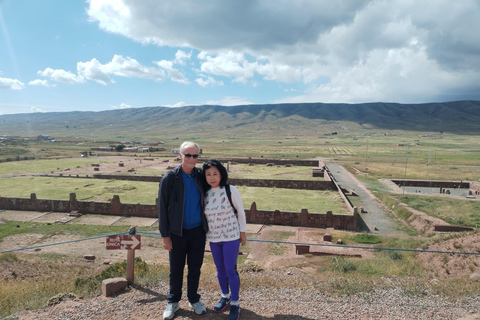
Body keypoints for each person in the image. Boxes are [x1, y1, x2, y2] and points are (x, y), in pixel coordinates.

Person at [158, 141, 208, 319]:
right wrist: (165, 235)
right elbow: (162, 209)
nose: (191, 159)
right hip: (176, 233)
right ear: (180, 155)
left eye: (195, 155)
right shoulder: (170, 179)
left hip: (197, 232)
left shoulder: (201, 176)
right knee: (176, 269)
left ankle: (194, 299)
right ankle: (173, 302)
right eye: (188, 155)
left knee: (195, 268)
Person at [202, 159, 247, 320]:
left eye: (215, 174)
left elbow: (240, 212)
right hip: (214, 238)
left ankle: (235, 303)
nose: (212, 177)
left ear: (221, 174)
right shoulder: (205, 193)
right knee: (219, 270)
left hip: (231, 237)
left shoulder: (230, 190)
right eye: (208, 174)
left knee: (230, 270)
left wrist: (243, 232)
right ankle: (225, 296)